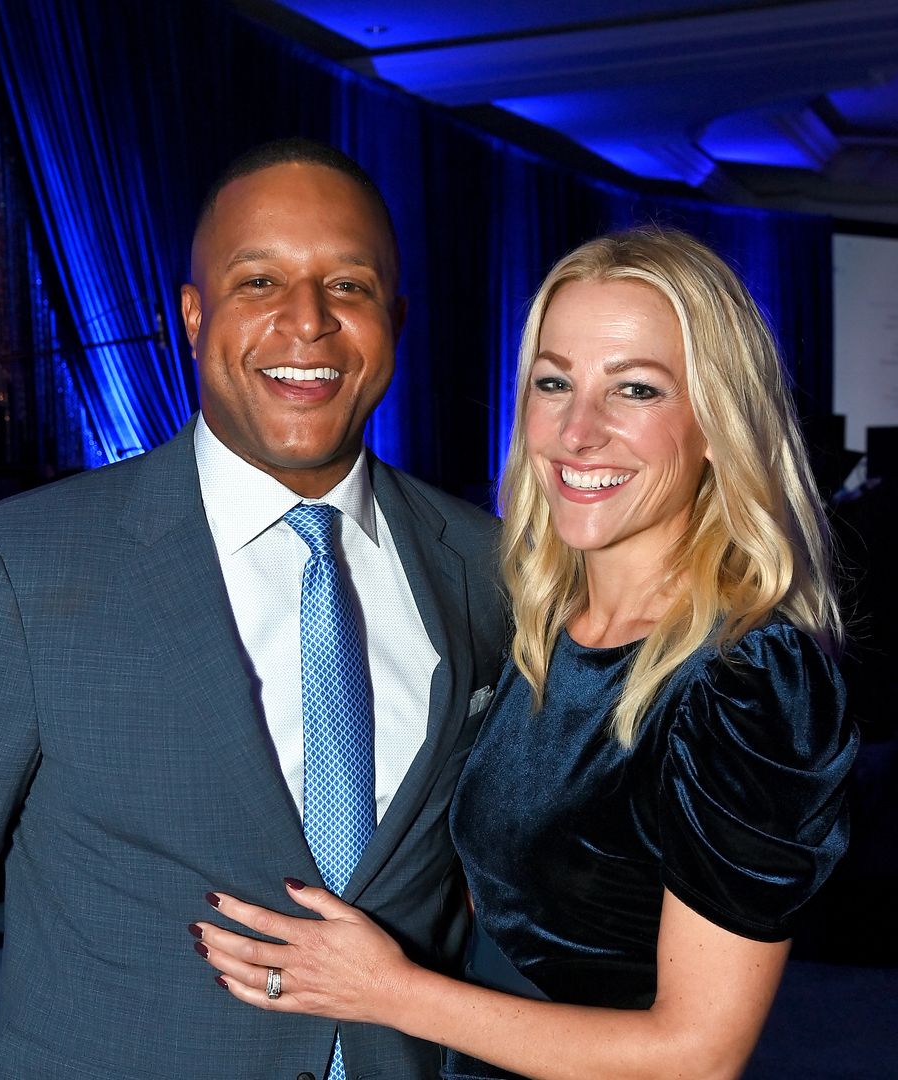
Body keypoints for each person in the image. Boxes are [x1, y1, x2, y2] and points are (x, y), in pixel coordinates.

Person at [0, 138, 506, 1080]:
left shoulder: (488, 565)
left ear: (393, 318)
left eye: (346, 286)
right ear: (193, 316)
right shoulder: (21, 569)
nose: (306, 323)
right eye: (258, 282)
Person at [192, 227, 859, 1080]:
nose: (580, 431)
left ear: (717, 424)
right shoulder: (537, 623)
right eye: (554, 383)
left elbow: (697, 1056)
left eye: (636, 390)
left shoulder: (746, 678)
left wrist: (384, 991)